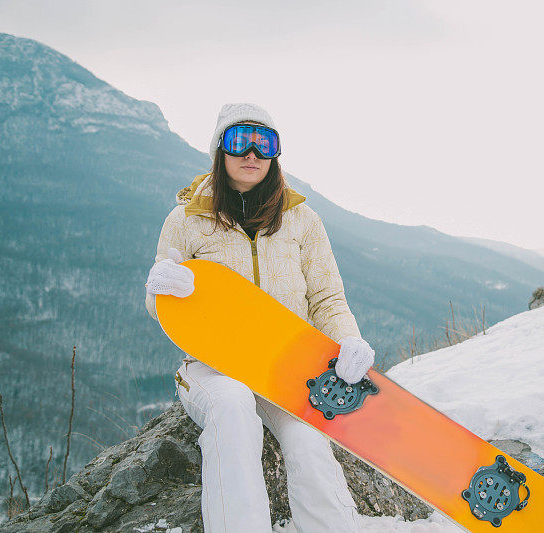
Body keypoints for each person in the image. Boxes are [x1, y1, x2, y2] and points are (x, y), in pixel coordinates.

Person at [143, 103, 374, 533]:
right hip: (213, 366)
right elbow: (161, 302)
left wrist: (348, 341)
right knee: (232, 410)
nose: (252, 154)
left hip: (285, 367)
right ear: (220, 150)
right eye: (239, 141)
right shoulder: (186, 220)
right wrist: (161, 290)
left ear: (275, 155)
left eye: (264, 144)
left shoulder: (302, 220)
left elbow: (327, 297)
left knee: (307, 438)